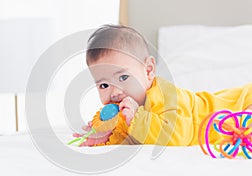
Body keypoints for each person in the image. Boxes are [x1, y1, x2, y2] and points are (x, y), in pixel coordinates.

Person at [72, 24, 252, 147]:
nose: (115, 92)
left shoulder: (165, 95)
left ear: (149, 71)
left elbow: (179, 136)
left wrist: (137, 118)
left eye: (124, 77)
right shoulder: (127, 111)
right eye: (104, 85)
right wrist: (104, 138)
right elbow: (133, 137)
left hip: (237, 105)